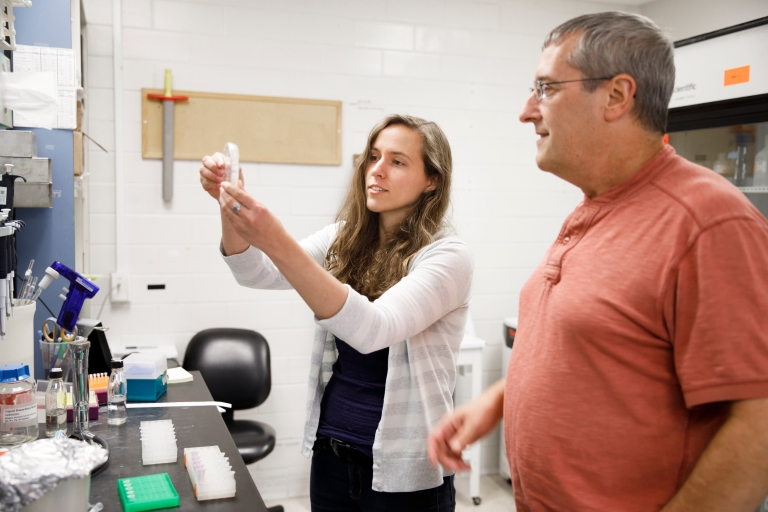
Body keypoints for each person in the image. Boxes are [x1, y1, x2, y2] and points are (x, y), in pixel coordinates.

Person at [428, 11, 768, 512]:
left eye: (545, 88)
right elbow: (599, 349)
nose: (527, 111)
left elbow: (757, 423)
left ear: (616, 96)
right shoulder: (596, 205)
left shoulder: (706, 222)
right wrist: (498, 398)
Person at [199, 114, 473, 511]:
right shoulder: (344, 238)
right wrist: (231, 209)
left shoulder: (447, 256)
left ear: (432, 179)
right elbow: (254, 271)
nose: (376, 171)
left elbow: (373, 329)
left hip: (403, 471)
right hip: (333, 453)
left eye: (397, 161)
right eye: (374, 157)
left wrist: (275, 239)